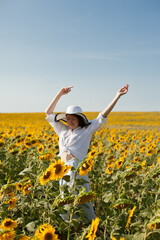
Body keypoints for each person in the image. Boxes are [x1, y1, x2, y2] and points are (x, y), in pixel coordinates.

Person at [45, 84, 129, 223]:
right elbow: (48, 113)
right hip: (62, 169)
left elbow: (103, 115)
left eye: (73, 119)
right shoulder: (63, 130)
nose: (70, 121)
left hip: (77, 168)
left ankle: (90, 225)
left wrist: (117, 96)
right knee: (65, 199)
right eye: (68, 118)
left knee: (83, 200)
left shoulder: (87, 130)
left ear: (80, 119)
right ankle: (72, 226)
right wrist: (59, 94)